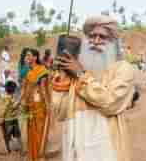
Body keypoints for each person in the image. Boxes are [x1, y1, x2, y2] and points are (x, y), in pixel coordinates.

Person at [54, 15, 139, 161]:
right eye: (91, 36)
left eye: (102, 37)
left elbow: (110, 103)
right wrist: (63, 77)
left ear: (114, 43)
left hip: (106, 151)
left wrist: (81, 74)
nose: (96, 41)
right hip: (75, 149)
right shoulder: (78, 72)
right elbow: (60, 112)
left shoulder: (123, 69)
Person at [20, 49, 50, 161]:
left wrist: (47, 105)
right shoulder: (27, 71)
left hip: (39, 104)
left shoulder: (42, 70)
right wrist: (19, 102)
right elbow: (24, 88)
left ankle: (39, 156)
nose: (26, 57)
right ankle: (32, 156)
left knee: (39, 130)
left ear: (35, 57)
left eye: (29, 55)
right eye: (26, 55)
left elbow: (42, 89)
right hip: (30, 104)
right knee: (31, 130)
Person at [0, 81, 22, 153]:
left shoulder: (6, 98)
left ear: (6, 90)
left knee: (7, 135)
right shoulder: (14, 98)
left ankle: (8, 149)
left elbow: (4, 109)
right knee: (17, 134)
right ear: (14, 90)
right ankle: (20, 147)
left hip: (8, 120)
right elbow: (16, 107)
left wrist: (1, 117)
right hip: (14, 119)